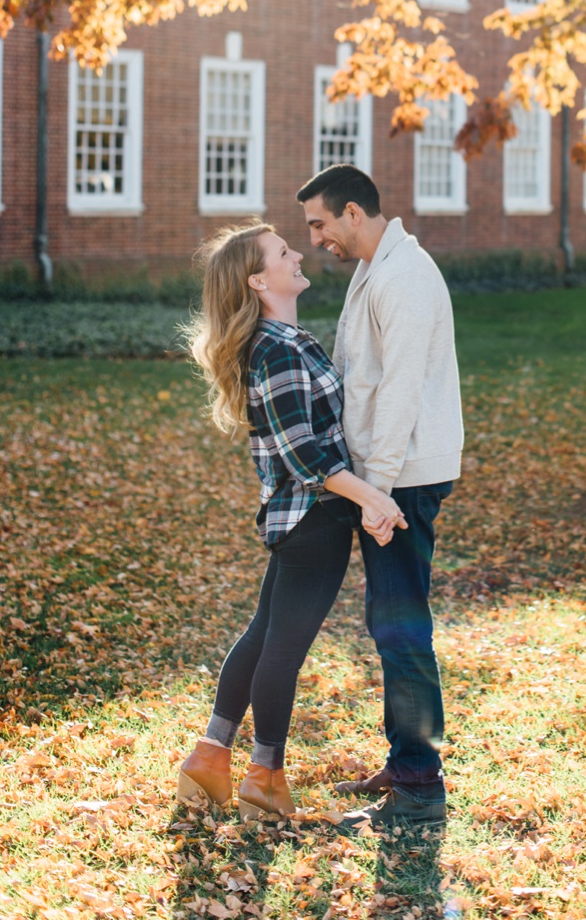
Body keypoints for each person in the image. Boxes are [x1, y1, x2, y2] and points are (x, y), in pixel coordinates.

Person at [174, 222, 407, 823]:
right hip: (314, 518)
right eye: (283, 252)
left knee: (262, 636)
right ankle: (266, 776)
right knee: (283, 648)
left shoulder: (284, 338)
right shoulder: (274, 348)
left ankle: (210, 758)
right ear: (258, 280)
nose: (297, 253)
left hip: (305, 517)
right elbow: (305, 454)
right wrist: (372, 500)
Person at [298, 162, 464, 829]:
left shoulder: (404, 278)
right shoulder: (377, 268)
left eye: (319, 224)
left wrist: (378, 494)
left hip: (406, 478)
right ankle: (406, 761)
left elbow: (397, 392)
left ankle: (421, 781)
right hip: (387, 477)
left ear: (353, 215)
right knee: (390, 621)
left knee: (402, 626)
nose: (315, 239)